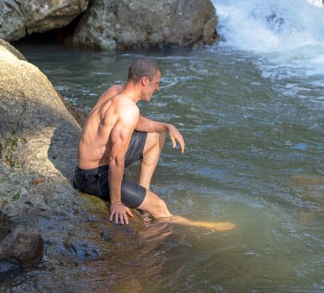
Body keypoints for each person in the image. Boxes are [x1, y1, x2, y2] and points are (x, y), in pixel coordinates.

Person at [73, 57, 233, 230]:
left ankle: (143, 191)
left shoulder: (116, 91)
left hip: (91, 165)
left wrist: (166, 126)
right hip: (93, 177)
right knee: (158, 206)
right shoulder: (128, 110)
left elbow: (138, 123)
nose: (157, 88)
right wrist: (117, 202)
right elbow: (115, 159)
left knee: (157, 136)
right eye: (156, 83)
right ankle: (200, 226)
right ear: (144, 81)